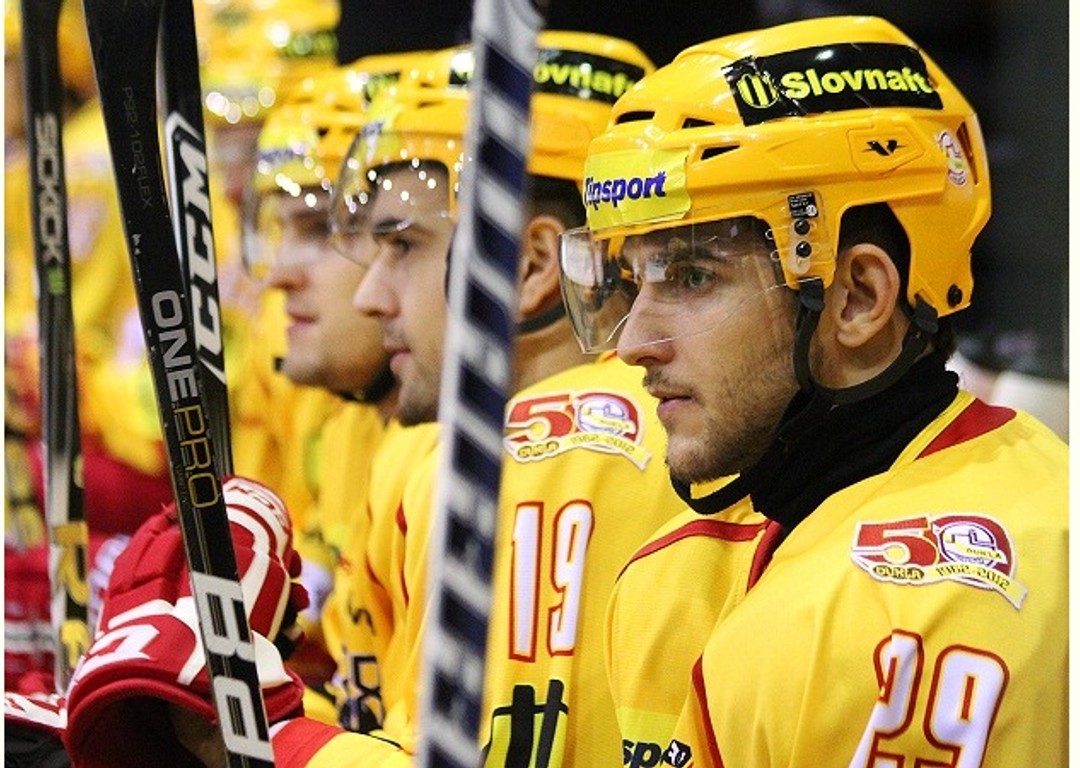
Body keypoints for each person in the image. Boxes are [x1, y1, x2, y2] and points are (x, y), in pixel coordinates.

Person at [557, 15, 1067, 766]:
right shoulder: (676, 572)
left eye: (695, 277)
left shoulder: (915, 609)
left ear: (858, 296)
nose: (632, 343)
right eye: (636, 279)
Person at [328, 32, 688, 763]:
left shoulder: (508, 465)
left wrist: (253, 721)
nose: (369, 295)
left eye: (402, 247)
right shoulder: (683, 424)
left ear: (526, 265)